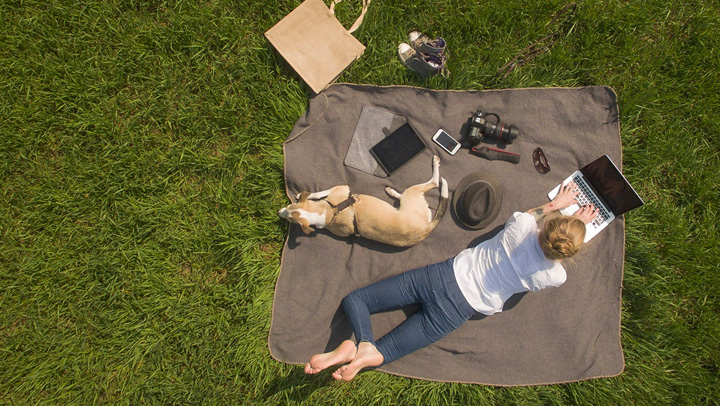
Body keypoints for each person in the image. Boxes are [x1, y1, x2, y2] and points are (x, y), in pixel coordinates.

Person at [304, 181, 599, 381]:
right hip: (458, 312)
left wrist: (559, 206)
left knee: (357, 300)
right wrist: (579, 228)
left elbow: (537, 215)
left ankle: (361, 341)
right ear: (570, 251)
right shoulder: (555, 275)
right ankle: (364, 351)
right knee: (389, 351)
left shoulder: (521, 225)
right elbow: (553, 253)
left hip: (441, 278)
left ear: (548, 226)